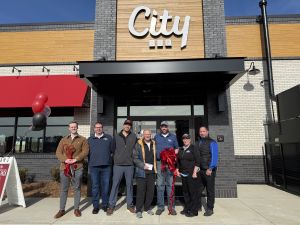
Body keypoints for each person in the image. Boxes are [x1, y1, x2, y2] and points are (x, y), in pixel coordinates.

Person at [54, 121, 89, 218]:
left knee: (77, 188)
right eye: (71, 127)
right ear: (69, 128)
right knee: (64, 189)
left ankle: (76, 209)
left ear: (77, 128)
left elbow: (85, 152)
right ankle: (61, 209)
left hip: (77, 167)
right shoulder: (63, 140)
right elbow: (58, 153)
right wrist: (66, 160)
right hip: (65, 167)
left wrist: (75, 159)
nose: (73, 128)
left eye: (75, 127)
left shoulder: (83, 139)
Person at [106, 119, 137, 215]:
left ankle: (130, 205)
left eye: (129, 125)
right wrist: (116, 158)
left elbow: (136, 149)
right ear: (123, 125)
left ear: (130, 126)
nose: (127, 126)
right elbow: (112, 150)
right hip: (118, 165)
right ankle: (111, 206)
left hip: (130, 165)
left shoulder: (134, 136)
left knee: (129, 185)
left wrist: (133, 159)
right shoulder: (116, 136)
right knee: (115, 185)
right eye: (126, 124)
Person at [154, 121, 179, 215]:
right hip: (160, 163)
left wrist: (172, 155)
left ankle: (171, 207)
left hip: (170, 164)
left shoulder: (173, 137)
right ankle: (160, 207)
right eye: (162, 126)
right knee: (160, 185)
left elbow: (177, 148)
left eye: (165, 126)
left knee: (170, 185)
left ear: (168, 127)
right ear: (160, 127)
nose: (164, 128)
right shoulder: (156, 136)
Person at [88, 122, 113, 214]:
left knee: (105, 187)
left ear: (103, 128)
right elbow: (86, 152)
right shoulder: (90, 139)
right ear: (94, 129)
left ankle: (105, 205)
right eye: (97, 127)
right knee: (95, 187)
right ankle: (95, 206)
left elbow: (112, 151)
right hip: (94, 167)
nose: (98, 129)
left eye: (100, 127)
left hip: (106, 167)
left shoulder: (109, 138)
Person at [195, 126, 218, 216]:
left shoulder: (212, 142)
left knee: (210, 190)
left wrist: (210, 168)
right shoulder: (198, 142)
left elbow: (215, 157)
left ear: (207, 132)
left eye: (204, 131)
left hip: (209, 171)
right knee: (198, 189)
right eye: (200, 131)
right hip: (200, 170)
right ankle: (198, 206)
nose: (202, 133)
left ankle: (210, 208)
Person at [133, 129, 157, 219]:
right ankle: (139, 210)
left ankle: (147, 208)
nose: (147, 135)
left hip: (152, 171)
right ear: (143, 135)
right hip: (142, 171)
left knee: (150, 191)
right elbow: (135, 158)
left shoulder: (154, 144)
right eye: (146, 134)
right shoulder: (138, 144)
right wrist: (143, 166)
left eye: (149, 134)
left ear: (151, 135)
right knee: (141, 192)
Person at [176, 134, 201, 217]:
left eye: (187, 138)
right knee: (185, 192)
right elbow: (178, 161)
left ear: (190, 140)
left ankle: (194, 211)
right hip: (183, 174)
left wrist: (194, 172)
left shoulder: (194, 148)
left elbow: (198, 161)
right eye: (184, 139)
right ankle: (187, 207)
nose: (185, 140)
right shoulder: (181, 149)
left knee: (193, 192)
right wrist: (177, 170)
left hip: (192, 174)